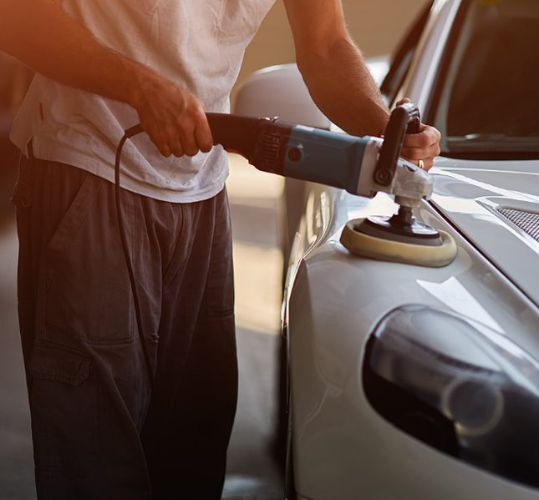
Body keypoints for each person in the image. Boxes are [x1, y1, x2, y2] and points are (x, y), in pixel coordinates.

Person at [0, 1, 442, 498]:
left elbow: (325, 44)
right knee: (96, 454)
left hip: (200, 189)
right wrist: (139, 87)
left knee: (192, 446)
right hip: (88, 164)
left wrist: (385, 132)